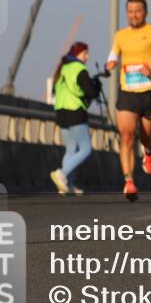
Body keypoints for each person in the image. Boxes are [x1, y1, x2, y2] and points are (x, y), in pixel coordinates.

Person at [106, 0, 151, 201]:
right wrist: (110, 64)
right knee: (126, 136)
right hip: (127, 92)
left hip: (149, 92)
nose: (133, 15)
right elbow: (113, 54)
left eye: (138, 11)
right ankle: (129, 181)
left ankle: (148, 151)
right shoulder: (121, 35)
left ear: (145, 12)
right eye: (130, 11)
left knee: (145, 136)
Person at [49, 42, 101, 195]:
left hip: (61, 112)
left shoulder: (63, 69)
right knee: (86, 149)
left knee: (71, 150)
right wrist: (96, 86)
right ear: (77, 54)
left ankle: (67, 184)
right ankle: (62, 174)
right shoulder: (80, 69)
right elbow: (90, 92)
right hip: (75, 112)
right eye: (85, 53)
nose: (87, 56)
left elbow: (55, 90)